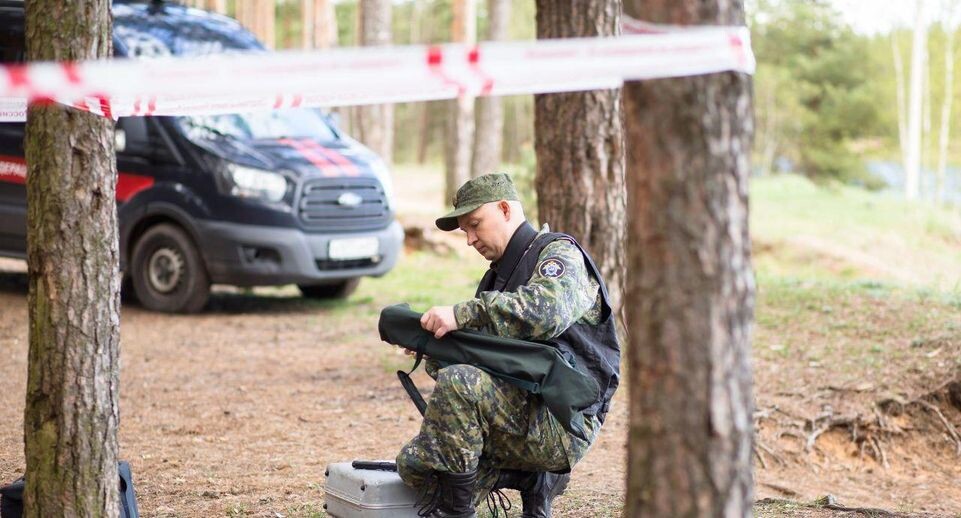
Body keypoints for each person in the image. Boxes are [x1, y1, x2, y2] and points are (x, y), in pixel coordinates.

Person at [395, 173, 620, 518]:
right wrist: (436, 345)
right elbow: (489, 357)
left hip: (564, 421)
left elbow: (545, 312)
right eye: (464, 231)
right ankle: (532, 480)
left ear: (504, 209)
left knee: (460, 384)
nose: (470, 239)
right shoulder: (498, 275)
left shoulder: (559, 255)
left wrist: (463, 314)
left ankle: (458, 512)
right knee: (414, 469)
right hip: (520, 408)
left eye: (474, 224)